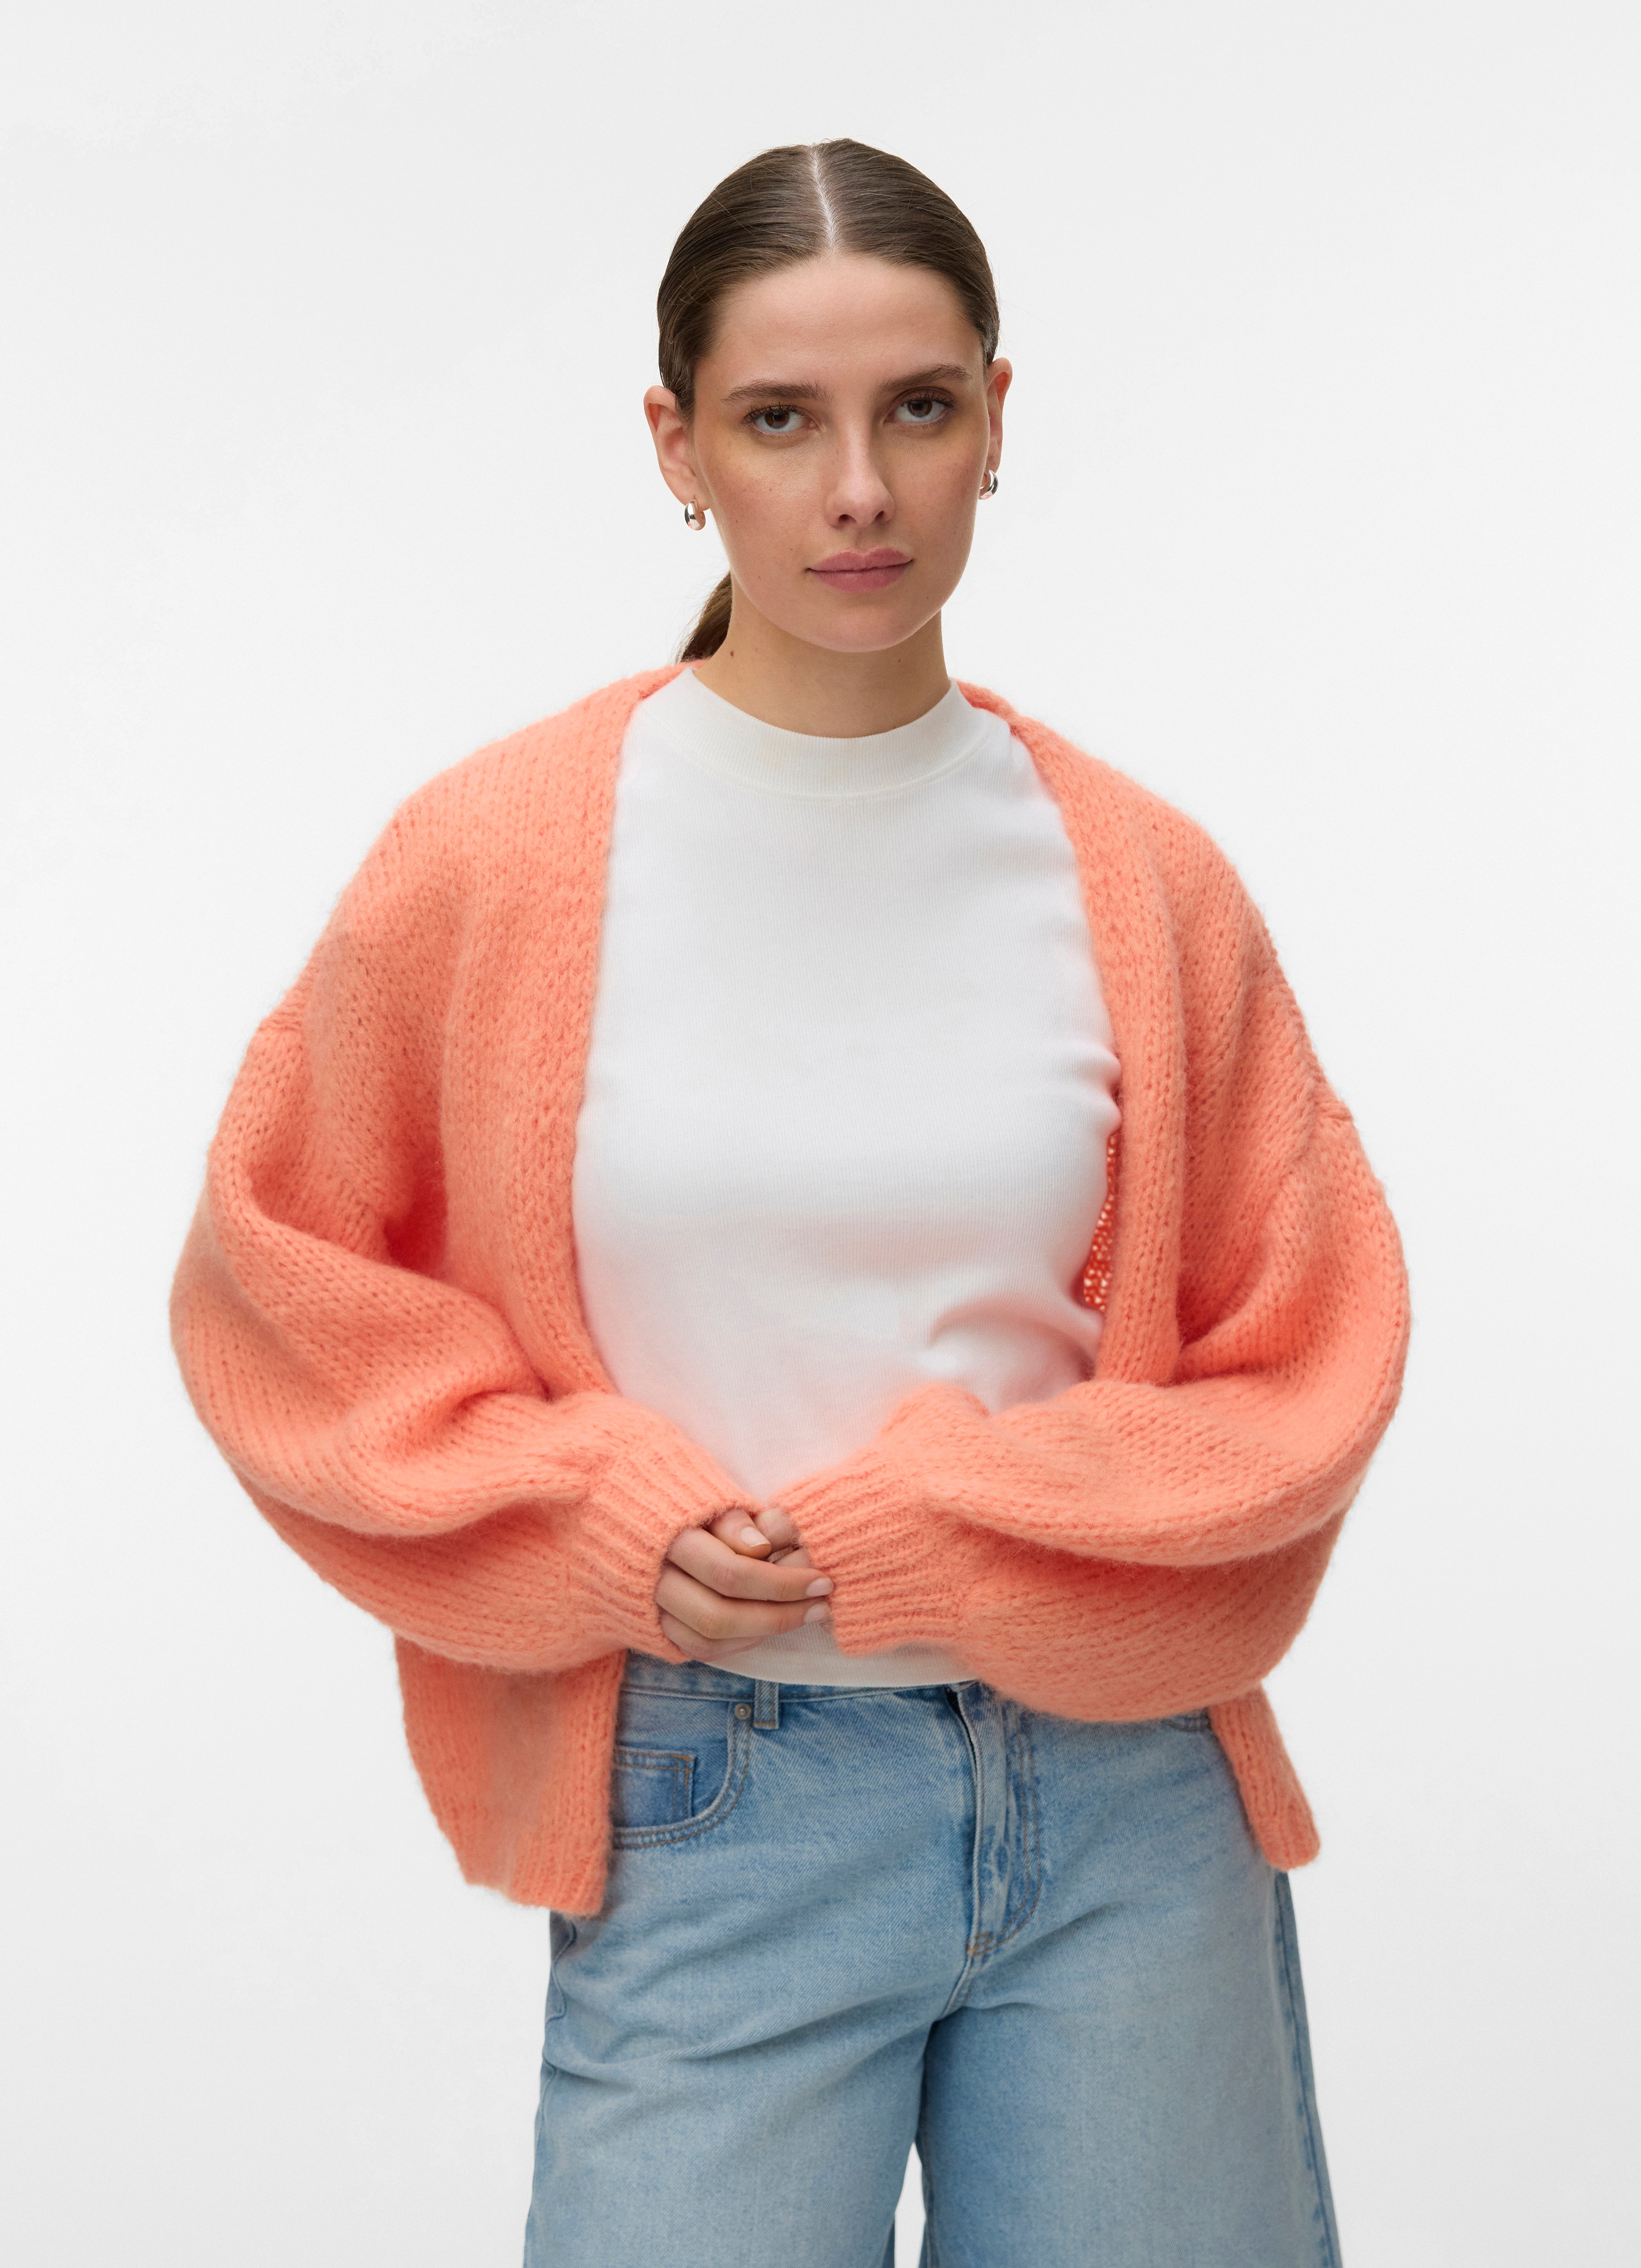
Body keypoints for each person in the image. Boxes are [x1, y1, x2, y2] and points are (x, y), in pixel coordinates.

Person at [171, 138, 1409, 2268]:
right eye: (778, 419)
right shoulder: (499, 859)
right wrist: (599, 1517)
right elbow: (278, 1292)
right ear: (676, 446)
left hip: (1129, 1800)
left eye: (916, 408)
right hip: (715, 1806)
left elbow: (1311, 1356)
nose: (858, 488)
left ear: (997, 419)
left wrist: (951, 1526)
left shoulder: (1142, 878)